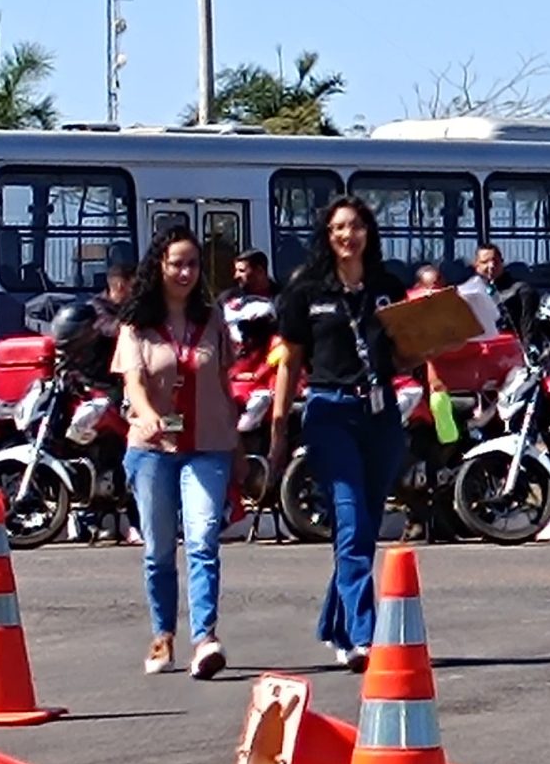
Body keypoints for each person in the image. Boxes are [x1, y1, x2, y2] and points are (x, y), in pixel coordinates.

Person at [270, 196, 411, 671]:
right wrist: (278, 427)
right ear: (327, 237)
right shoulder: (305, 290)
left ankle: (336, 624)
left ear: (368, 232)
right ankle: (362, 635)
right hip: (329, 413)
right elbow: (289, 362)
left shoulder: (388, 288)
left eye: (354, 227)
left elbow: (405, 355)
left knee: (365, 528)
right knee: (350, 522)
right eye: (336, 229)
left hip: (381, 413)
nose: (346, 236)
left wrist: (443, 338)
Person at [113, 227, 240, 680]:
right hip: (153, 449)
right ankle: (162, 634)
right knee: (159, 550)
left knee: (203, 541)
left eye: (192, 264)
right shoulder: (136, 324)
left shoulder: (213, 320)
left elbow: (225, 382)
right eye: (176, 264)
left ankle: (204, 638)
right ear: (160, 267)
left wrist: (238, 444)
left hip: (209, 446)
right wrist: (146, 416)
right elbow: (134, 383)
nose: (185, 272)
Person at [472, 243, 534, 339]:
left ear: (502, 263)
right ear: (476, 265)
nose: (491, 266)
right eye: (485, 262)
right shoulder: (466, 293)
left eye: (495, 261)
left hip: (507, 349)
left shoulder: (521, 291)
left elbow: (528, 331)